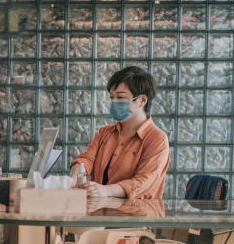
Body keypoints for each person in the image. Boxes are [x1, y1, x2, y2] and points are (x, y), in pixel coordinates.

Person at [70, 66, 170, 200]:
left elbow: (144, 182)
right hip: (101, 212)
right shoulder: (104, 133)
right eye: (112, 97)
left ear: (142, 100)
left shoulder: (157, 139)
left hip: (137, 216)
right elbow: (86, 159)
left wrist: (106, 190)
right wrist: (74, 177)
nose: (114, 102)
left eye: (120, 97)